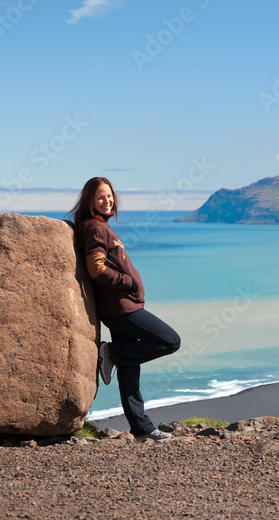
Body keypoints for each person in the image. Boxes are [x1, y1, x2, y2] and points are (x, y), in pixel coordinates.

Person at [71, 176, 181, 441]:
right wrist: (128, 282)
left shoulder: (100, 227)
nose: (107, 201)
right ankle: (112, 352)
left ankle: (141, 428)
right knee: (170, 341)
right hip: (120, 308)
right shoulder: (98, 229)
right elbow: (97, 269)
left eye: (109, 196)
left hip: (120, 306)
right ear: (89, 201)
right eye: (100, 197)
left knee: (131, 368)